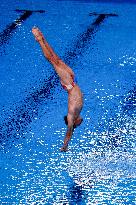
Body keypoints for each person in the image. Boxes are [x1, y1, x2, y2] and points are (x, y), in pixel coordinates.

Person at [32, 27, 83, 152]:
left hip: (69, 84)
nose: (81, 123)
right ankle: (42, 38)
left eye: (79, 124)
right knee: (57, 59)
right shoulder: (76, 114)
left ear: (74, 123)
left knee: (52, 61)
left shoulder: (71, 117)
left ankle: (39, 40)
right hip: (72, 80)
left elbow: (69, 133)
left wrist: (65, 146)